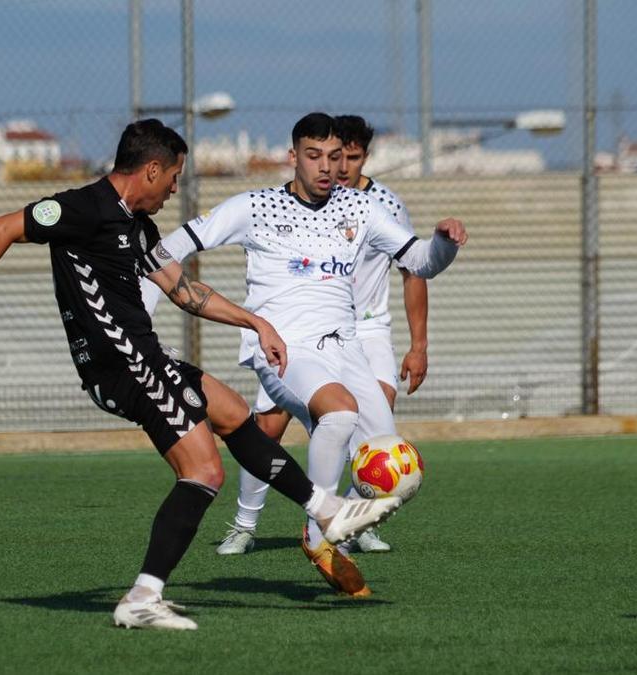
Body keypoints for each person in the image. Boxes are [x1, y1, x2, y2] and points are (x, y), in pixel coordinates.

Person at [0, 119, 401, 631]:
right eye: (174, 177)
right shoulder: (82, 208)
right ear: (152, 169)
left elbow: (184, 291)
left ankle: (324, 510)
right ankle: (145, 596)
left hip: (145, 357)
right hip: (119, 364)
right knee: (204, 472)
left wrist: (255, 320)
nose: (174, 189)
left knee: (231, 410)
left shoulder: (138, 228)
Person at [158, 112, 466, 596]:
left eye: (335, 157)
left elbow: (421, 261)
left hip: (346, 348)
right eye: (314, 155)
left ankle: (339, 532)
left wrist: (445, 242)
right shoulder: (254, 206)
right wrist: (142, 309)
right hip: (282, 348)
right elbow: (167, 249)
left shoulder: (362, 209)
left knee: (395, 467)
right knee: (339, 414)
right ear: (293, 157)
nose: (326, 166)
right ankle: (318, 532)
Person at [215, 115, 428, 557]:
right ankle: (245, 523)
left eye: (349, 156)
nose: (340, 166)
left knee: (374, 431)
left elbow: (413, 269)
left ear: (364, 156)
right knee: (269, 427)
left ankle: (352, 519)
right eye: (331, 156)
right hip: (303, 333)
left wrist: (419, 344)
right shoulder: (293, 203)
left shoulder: (383, 203)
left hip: (366, 329)